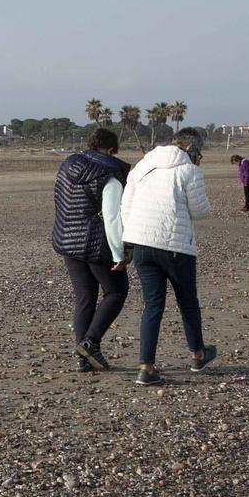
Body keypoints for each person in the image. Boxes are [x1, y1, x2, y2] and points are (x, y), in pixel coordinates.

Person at [120, 127, 216, 385]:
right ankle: (197, 354)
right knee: (187, 301)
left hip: (141, 244)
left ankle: (146, 367)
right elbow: (200, 211)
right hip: (175, 247)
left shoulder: (142, 166)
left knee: (152, 305)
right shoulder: (189, 170)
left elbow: (125, 206)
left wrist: (128, 242)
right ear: (193, 149)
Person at [50, 126, 131, 371]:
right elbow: (112, 216)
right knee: (116, 291)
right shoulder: (111, 174)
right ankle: (90, 342)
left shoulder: (68, 165)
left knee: (85, 297)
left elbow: (59, 199)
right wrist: (120, 253)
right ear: (112, 148)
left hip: (66, 239)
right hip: (96, 243)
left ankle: (82, 359)